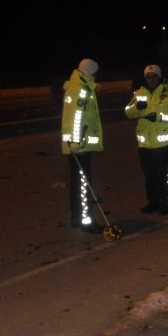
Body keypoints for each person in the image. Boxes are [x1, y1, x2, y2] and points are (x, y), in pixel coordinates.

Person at [124, 64, 168, 215]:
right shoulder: (138, 93)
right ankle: (152, 203)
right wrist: (137, 107)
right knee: (150, 177)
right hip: (145, 144)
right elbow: (127, 113)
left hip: (164, 144)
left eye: (154, 76)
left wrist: (159, 117)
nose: (151, 79)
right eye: (148, 77)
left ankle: (166, 203)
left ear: (159, 77)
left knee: (164, 175)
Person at [61, 58, 104, 231]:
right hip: (80, 145)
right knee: (83, 183)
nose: (96, 76)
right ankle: (86, 221)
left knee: (78, 182)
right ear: (89, 72)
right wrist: (76, 141)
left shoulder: (77, 85)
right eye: (94, 73)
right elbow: (76, 118)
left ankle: (77, 216)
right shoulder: (81, 89)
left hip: (78, 143)